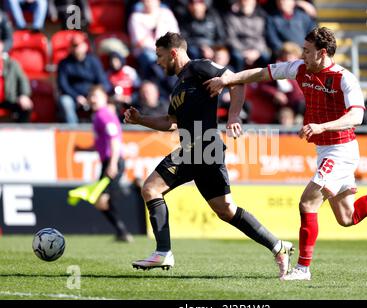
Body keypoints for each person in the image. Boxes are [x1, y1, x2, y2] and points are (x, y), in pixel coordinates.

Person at [205, 27, 367, 280]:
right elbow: (263, 73)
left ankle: (303, 269)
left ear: (322, 53)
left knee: (307, 202)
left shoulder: (344, 78)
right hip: (326, 149)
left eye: (307, 51)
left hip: (341, 149)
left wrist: (321, 126)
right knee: (348, 217)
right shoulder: (301, 68)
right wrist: (229, 79)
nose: (302, 55)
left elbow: (357, 116)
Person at [124, 32, 293, 278]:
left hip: (201, 145)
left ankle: (163, 252)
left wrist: (233, 116)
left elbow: (235, 82)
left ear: (174, 53)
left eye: (160, 56)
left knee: (151, 188)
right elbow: (171, 122)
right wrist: (141, 120)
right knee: (225, 209)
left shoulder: (199, 67)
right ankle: (278, 246)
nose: (158, 62)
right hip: (202, 149)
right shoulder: (180, 84)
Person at [88, 85, 133, 242]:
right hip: (109, 161)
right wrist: (83, 148)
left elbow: (114, 141)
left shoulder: (103, 115)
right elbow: (104, 141)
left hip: (113, 162)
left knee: (101, 200)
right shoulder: (100, 115)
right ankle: (122, 232)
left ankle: (122, 231)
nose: (92, 99)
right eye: (91, 96)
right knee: (102, 200)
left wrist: (113, 164)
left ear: (104, 98)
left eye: (96, 96)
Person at [57, 33, 111, 124]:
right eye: (74, 46)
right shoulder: (64, 63)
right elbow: (63, 85)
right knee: (65, 101)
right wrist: (76, 97)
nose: (76, 48)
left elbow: (103, 82)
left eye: (78, 45)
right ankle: (73, 130)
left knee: (103, 101)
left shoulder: (94, 61)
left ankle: (102, 128)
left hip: (92, 95)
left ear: (85, 46)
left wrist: (94, 95)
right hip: (73, 96)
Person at [0, 39, 33, 122]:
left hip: (9, 99)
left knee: (26, 106)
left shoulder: (12, 64)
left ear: (2, 46)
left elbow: (23, 80)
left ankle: (22, 132)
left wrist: (24, 95)